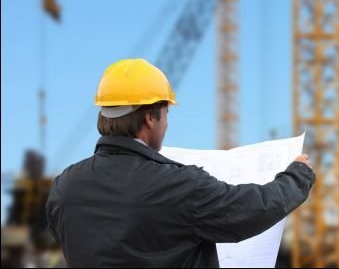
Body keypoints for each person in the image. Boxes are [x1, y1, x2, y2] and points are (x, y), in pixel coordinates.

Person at [46, 58, 315, 268]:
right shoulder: (180, 185)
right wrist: (297, 175)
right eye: (166, 114)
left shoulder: (64, 187)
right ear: (151, 118)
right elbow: (251, 209)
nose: (166, 122)